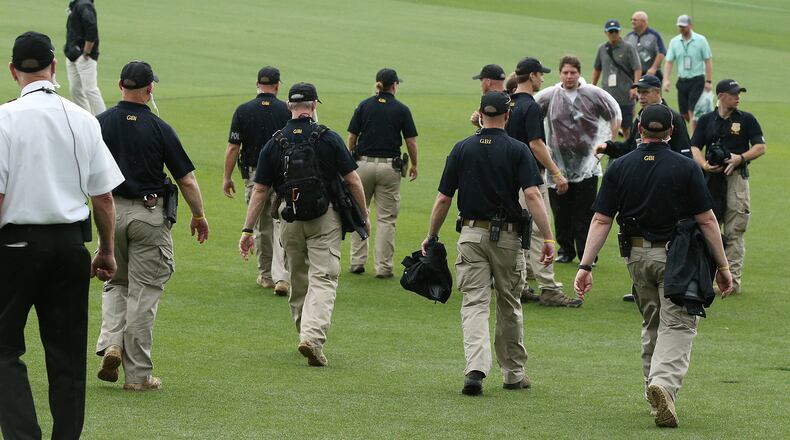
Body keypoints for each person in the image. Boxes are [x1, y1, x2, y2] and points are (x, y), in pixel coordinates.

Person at [574, 104, 733, 428]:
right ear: (672, 131)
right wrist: (723, 266)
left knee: (652, 323)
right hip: (677, 258)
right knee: (678, 325)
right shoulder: (686, 167)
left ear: (639, 130)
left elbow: (602, 219)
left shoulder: (621, 166)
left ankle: (654, 395)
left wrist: (585, 265)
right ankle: (663, 385)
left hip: (636, 258)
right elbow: (706, 219)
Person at [0, 31, 123, 439]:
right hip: (70, 246)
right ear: (54, 67)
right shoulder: (83, 118)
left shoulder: (4, 118)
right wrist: (106, 250)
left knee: (3, 349)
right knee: (67, 355)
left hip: (14, 246)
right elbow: (103, 197)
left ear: (14, 70)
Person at [423, 91, 556, 396]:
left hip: (470, 235)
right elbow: (533, 195)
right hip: (508, 237)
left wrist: (431, 235)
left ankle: (475, 369)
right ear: (507, 117)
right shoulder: (518, 149)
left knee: (474, 303)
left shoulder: (462, 148)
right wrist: (547, 237)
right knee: (509, 303)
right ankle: (513, 373)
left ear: (480, 115)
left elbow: (444, 198)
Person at [94, 60, 210, 391]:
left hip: (110, 213)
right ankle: (138, 375)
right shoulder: (160, 128)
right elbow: (185, 179)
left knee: (116, 282)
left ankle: (113, 342)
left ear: (120, 86)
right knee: (144, 293)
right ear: (150, 89)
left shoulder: (98, 123)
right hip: (148, 216)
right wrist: (199, 215)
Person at [240, 82, 368, 366]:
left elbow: (260, 190)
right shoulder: (328, 137)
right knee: (324, 278)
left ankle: (304, 332)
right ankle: (312, 337)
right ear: (314, 106)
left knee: (298, 279)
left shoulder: (275, 141)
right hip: (325, 218)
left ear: (289, 107)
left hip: (289, 217)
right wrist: (364, 215)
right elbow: (352, 180)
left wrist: (248, 229)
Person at [596, 74, 692, 303]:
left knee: (664, 238)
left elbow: (684, 156)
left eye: (646, 92)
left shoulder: (673, 118)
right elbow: (631, 150)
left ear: (658, 91)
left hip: (667, 189)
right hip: (643, 186)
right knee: (639, 231)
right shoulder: (641, 116)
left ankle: (671, 286)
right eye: (639, 92)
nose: (641, 96)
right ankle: (642, 286)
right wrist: (608, 147)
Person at [506, 57, 580, 307]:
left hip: (507, 180)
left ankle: (521, 284)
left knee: (516, 232)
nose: (543, 79)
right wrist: (556, 172)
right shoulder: (531, 107)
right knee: (539, 231)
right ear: (533, 76)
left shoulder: (508, 104)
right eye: (540, 75)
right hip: (529, 179)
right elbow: (536, 144)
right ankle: (548, 288)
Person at [535, 55, 621, 264]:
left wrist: (607, 144)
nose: (569, 76)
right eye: (565, 72)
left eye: (573, 72)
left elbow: (614, 115)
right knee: (561, 210)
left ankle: (586, 252)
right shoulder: (551, 96)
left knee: (585, 211)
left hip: (588, 164)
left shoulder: (593, 94)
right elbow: (531, 113)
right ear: (559, 73)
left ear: (579, 73)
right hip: (558, 164)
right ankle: (566, 250)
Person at [690, 79, 765, 295]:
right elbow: (694, 146)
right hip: (711, 180)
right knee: (706, 228)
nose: (738, 97)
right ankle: (704, 279)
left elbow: (760, 147)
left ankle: (733, 282)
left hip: (736, 180)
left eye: (739, 93)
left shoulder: (747, 119)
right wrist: (704, 164)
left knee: (734, 230)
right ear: (721, 95)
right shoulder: (706, 120)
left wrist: (739, 158)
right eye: (733, 93)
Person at [223, 66, 291, 295]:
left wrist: (226, 177)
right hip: (283, 174)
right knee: (282, 224)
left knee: (262, 227)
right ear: (278, 85)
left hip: (255, 175)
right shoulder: (286, 110)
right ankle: (283, 276)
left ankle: (266, 275)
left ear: (257, 84)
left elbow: (234, 147)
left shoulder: (243, 110)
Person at [347, 68, 418, 278]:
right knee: (386, 219)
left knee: (359, 212)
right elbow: (411, 141)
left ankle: (357, 262)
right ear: (394, 85)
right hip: (389, 168)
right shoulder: (401, 109)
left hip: (363, 165)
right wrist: (414, 164)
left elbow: (352, 136)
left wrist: (349, 158)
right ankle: (383, 267)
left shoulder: (364, 105)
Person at [592, 19, 642, 140]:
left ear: (619, 32)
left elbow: (637, 68)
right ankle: (611, 150)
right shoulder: (602, 49)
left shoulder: (628, 48)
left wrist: (635, 87)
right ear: (606, 33)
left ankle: (629, 149)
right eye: (611, 32)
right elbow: (597, 69)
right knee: (609, 125)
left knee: (626, 127)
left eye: (615, 31)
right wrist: (592, 87)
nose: (613, 34)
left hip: (625, 94)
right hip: (608, 95)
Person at [662, 14, 713, 129]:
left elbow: (708, 60)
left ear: (690, 25)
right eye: (679, 26)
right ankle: (700, 128)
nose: (681, 29)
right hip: (682, 81)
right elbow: (669, 61)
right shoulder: (674, 42)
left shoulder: (701, 40)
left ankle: (693, 139)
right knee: (684, 113)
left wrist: (708, 81)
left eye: (683, 26)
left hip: (697, 79)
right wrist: (666, 80)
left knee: (692, 110)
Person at [65, 0, 106, 115]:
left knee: (90, 90)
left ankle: (102, 121)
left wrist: (87, 52)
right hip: (72, 54)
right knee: (75, 90)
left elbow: (91, 27)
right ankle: (85, 119)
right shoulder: (77, 4)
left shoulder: (84, 5)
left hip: (84, 56)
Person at [625, 11, 667, 81]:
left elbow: (661, 53)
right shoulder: (629, 37)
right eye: (631, 19)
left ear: (643, 22)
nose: (632, 22)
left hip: (650, 74)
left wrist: (654, 68)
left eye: (635, 20)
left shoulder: (654, 36)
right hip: (634, 74)